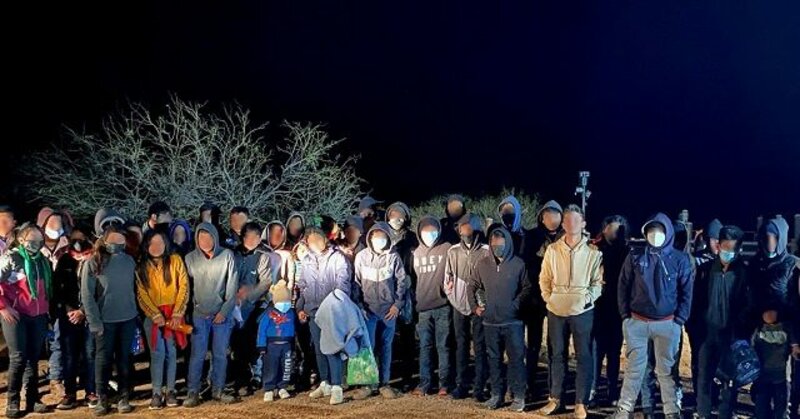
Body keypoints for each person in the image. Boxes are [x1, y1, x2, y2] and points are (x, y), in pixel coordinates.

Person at [614, 213, 694, 419]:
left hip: (667, 324)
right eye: (651, 230)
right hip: (637, 322)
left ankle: (671, 411)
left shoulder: (680, 259)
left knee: (666, 371)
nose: (655, 235)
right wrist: (625, 316)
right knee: (634, 370)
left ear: (668, 233)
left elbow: (687, 292)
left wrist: (679, 320)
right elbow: (623, 285)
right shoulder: (636, 256)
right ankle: (624, 409)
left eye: (659, 231)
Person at [538, 205, 603, 418]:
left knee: (583, 356)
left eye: (575, 220)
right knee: (557, 355)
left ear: (583, 224)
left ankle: (581, 403)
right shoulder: (553, 250)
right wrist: (549, 298)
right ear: (563, 224)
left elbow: (597, 283)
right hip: (556, 310)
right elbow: (544, 278)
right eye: (567, 220)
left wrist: (586, 299)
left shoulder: (593, 252)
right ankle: (555, 399)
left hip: (582, 312)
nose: (571, 224)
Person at [470, 225, 531, 412]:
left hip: (513, 322)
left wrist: (515, 305)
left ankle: (518, 396)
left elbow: (527, 288)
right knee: (494, 360)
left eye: (501, 243)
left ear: (508, 243)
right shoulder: (483, 264)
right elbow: (472, 285)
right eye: (494, 243)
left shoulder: (518, 264)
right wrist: (475, 307)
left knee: (516, 360)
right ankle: (496, 395)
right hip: (490, 322)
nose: (497, 247)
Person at [81, 223, 138, 415]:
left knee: (124, 359)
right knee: (103, 360)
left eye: (121, 240)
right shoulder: (93, 262)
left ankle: (124, 396)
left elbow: (135, 288)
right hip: (105, 320)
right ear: (104, 240)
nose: (117, 243)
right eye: (113, 239)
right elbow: (87, 295)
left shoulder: (129, 261)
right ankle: (102, 398)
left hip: (128, 318)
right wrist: (94, 321)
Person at [695, 225, 749, 419]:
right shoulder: (706, 270)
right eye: (725, 247)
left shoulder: (743, 273)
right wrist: (696, 328)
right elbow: (697, 301)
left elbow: (748, 303)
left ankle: (726, 413)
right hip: (708, 333)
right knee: (704, 375)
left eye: (732, 248)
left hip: (731, 335)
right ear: (718, 246)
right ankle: (703, 412)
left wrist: (740, 329)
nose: (728, 252)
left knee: (729, 379)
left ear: (739, 249)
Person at [183, 223, 239, 407]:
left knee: (220, 354)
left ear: (215, 237)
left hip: (221, 313)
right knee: (197, 355)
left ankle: (218, 389)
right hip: (199, 314)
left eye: (208, 238)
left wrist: (224, 311)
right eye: (201, 238)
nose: (205, 242)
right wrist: (192, 310)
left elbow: (232, 286)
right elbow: (187, 288)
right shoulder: (190, 258)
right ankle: (193, 391)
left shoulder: (227, 256)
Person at [135, 229, 191, 410]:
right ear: (146, 245)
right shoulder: (141, 266)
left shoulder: (175, 261)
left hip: (173, 314)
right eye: (153, 243)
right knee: (157, 354)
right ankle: (157, 392)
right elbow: (142, 293)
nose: (156, 247)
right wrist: (154, 314)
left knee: (171, 352)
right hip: (153, 316)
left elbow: (183, 286)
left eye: (160, 243)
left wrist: (177, 313)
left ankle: (171, 390)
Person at [0, 223, 52, 418]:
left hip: (38, 315)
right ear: (21, 240)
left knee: (33, 357)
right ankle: (12, 401)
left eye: (40, 239)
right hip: (16, 315)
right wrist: (3, 306)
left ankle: (32, 398)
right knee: (18, 357)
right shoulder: (11, 258)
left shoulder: (42, 261)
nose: (36, 243)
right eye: (32, 239)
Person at [352, 222, 408, 399]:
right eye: (376, 236)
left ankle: (384, 383)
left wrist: (397, 305)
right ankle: (367, 385)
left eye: (382, 236)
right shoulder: (361, 257)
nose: (379, 240)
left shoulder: (393, 257)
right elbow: (356, 283)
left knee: (385, 347)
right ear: (370, 237)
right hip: (367, 311)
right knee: (366, 347)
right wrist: (359, 306)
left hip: (388, 311)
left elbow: (401, 282)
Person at [296, 226, 351, 405]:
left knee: (332, 348)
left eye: (317, 239)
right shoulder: (307, 260)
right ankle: (325, 381)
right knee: (319, 349)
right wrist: (300, 307)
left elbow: (343, 283)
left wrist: (335, 304)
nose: (314, 243)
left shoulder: (338, 258)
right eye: (310, 241)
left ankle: (337, 386)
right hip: (313, 311)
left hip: (331, 311)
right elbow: (303, 285)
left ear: (324, 239)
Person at [445, 213, 491, 401]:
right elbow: (447, 279)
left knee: (480, 346)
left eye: (469, 228)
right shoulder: (453, 251)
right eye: (462, 228)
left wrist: (484, 303)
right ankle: (461, 385)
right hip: (459, 306)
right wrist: (454, 299)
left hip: (480, 307)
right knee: (461, 346)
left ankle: (480, 387)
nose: (465, 232)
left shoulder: (486, 251)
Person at [232, 222, 278, 396]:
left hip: (255, 304)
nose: (251, 240)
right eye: (248, 237)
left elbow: (265, 282)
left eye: (255, 237)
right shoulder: (234, 254)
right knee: (236, 342)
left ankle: (256, 374)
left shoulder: (262, 256)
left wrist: (249, 295)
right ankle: (240, 377)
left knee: (252, 339)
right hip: (233, 303)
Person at [51, 225, 93, 410]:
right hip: (68, 317)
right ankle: (70, 393)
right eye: (73, 239)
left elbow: (99, 289)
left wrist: (83, 311)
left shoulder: (94, 259)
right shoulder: (64, 260)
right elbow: (57, 288)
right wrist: (69, 310)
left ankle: (91, 391)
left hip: (90, 315)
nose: (77, 243)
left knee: (90, 354)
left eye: (81, 239)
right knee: (69, 355)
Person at [411, 216, 453, 396]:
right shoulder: (416, 253)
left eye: (433, 231)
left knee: (443, 346)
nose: (429, 235)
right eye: (426, 232)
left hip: (442, 305)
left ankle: (445, 383)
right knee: (425, 347)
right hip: (423, 308)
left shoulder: (447, 248)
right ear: (419, 233)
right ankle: (424, 383)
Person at [591, 215, 630, 406]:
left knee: (614, 352)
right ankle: (592, 389)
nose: (616, 233)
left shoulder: (626, 251)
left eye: (620, 230)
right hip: (598, 307)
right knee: (596, 351)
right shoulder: (594, 248)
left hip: (617, 308)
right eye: (613, 229)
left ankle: (612, 390)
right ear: (605, 228)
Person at [526, 200, 564, 396]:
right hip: (535, 297)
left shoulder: (566, 237)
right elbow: (527, 263)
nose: (552, 219)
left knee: (554, 345)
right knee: (533, 343)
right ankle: (529, 384)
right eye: (548, 215)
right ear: (542, 218)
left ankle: (553, 388)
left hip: (558, 298)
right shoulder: (532, 236)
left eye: (556, 215)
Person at [36, 206, 74, 400]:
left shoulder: (68, 245)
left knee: (59, 340)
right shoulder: (35, 246)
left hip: (61, 300)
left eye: (59, 223)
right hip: (37, 302)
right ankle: (29, 384)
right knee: (34, 344)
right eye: (52, 223)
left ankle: (56, 379)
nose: (56, 227)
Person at [686, 218, 723, 396]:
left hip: (719, 322)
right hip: (699, 320)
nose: (716, 243)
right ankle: (700, 395)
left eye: (719, 239)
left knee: (719, 361)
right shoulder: (696, 261)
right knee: (699, 360)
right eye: (713, 239)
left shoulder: (727, 263)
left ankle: (716, 395)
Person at [385, 201, 418, 391]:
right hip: (385, 292)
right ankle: (386, 376)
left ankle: (407, 377)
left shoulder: (413, 238)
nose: (396, 218)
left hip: (407, 291)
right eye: (393, 215)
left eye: (400, 215)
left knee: (407, 335)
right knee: (386, 337)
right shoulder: (381, 235)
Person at [751, 309, 795, 419]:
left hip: (764, 374)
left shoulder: (759, 331)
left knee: (762, 407)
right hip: (781, 375)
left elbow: (752, 349)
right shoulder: (787, 329)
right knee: (780, 409)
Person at [257, 279, 296, 402]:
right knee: (271, 367)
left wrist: (294, 344)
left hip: (287, 345)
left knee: (286, 367)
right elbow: (262, 330)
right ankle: (269, 388)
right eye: (282, 301)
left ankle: (282, 386)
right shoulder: (268, 313)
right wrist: (261, 345)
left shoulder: (291, 313)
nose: (284, 304)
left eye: (287, 302)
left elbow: (293, 328)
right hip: (271, 345)